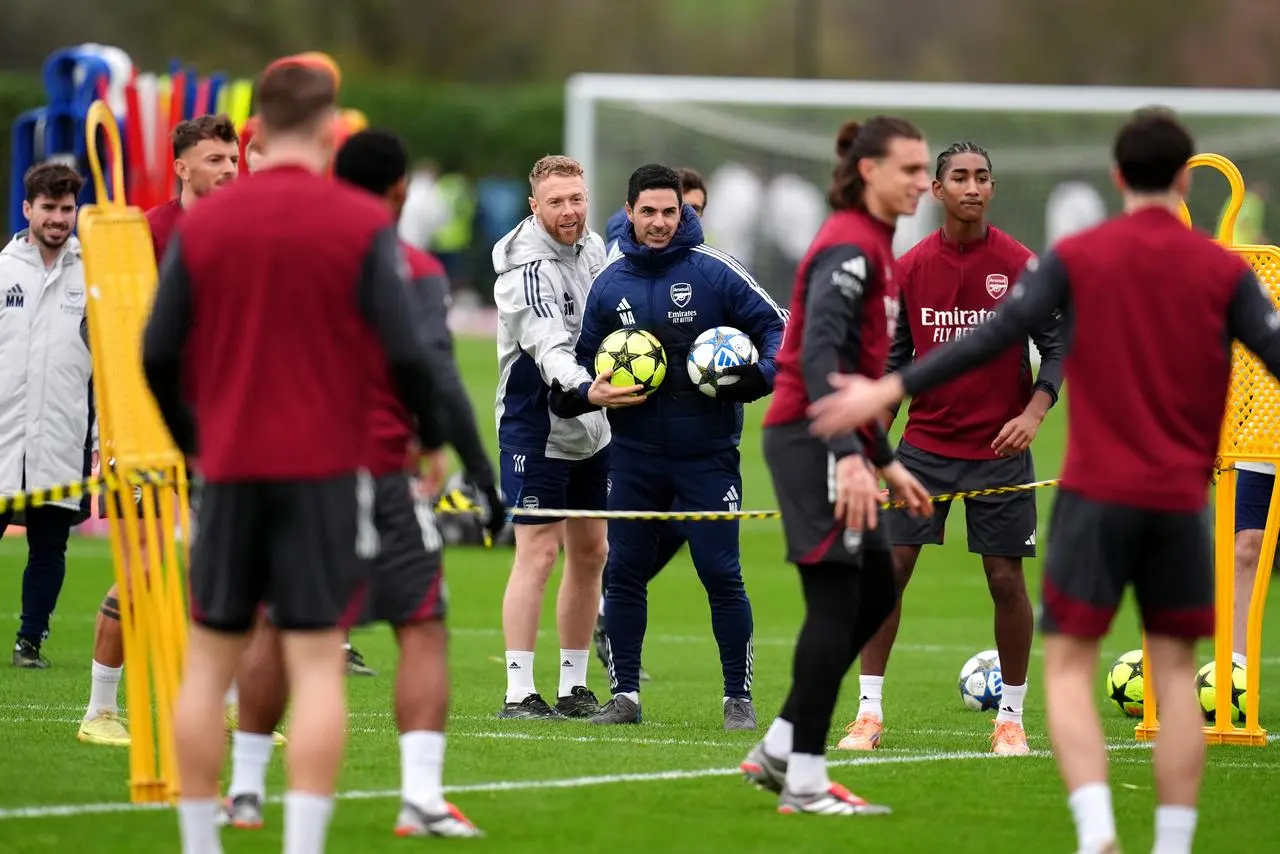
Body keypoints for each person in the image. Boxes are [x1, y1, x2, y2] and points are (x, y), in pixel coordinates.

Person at [806, 106, 1280, 854]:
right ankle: (1174, 845)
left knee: (1068, 666)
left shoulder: (1074, 256)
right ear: (1187, 178)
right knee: (1173, 668)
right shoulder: (1223, 270)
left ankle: (1096, 836)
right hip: (1180, 495)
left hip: (1093, 489)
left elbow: (998, 337)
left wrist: (883, 393)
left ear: (1117, 176)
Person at [140, 62, 452, 854]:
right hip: (323, 471)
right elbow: (409, 352)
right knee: (317, 665)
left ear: (250, 137)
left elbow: (156, 352)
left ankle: (200, 843)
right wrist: (432, 436)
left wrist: (195, 444)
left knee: (210, 663)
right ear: (327, 131)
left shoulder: (203, 223)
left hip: (231, 467)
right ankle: (302, 845)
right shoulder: (355, 223)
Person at [220, 128, 500, 838]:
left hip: (278, 466)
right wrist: (465, 458)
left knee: (276, 621)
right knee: (422, 626)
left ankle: (245, 792)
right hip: (374, 468)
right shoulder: (409, 265)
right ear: (401, 188)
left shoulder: (282, 254)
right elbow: (434, 373)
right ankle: (421, 798)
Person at [836, 141, 1066, 756]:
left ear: (992, 188)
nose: (972, 186)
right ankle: (868, 715)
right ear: (936, 191)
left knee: (1004, 579)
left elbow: (1060, 345)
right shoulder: (908, 269)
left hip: (1000, 450)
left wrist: (1034, 411)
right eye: (959, 177)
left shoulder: (1021, 264)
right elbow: (892, 365)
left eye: (982, 177)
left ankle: (1010, 719)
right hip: (924, 452)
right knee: (890, 572)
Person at [735, 116, 933, 814]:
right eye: (910, 169)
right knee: (837, 600)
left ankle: (784, 745)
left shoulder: (876, 243)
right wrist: (851, 457)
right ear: (869, 170)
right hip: (811, 437)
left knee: (876, 587)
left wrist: (884, 458)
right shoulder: (850, 245)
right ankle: (807, 782)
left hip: (838, 439)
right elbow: (818, 359)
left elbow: (853, 372)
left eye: (923, 168)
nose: (923, 182)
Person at [567, 163, 788, 728]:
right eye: (650, 213)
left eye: (671, 212)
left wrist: (759, 376)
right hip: (634, 457)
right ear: (630, 214)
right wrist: (591, 392)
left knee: (720, 572)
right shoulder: (609, 283)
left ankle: (737, 696)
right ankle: (625, 698)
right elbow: (584, 363)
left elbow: (780, 329)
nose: (661, 222)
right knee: (624, 575)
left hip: (708, 457)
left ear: (684, 213)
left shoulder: (716, 271)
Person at [79, 114, 251, 746]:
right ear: (181, 167)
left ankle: (230, 704)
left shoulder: (247, 232)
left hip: (224, 425)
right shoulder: (145, 233)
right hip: (147, 423)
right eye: (215, 161)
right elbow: (111, 328)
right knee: (144, 566)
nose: (229, 171)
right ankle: (100, 710)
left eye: (233, 160)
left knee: (231, 566)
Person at [491, 154, 637, 721]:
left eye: (576, 198)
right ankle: (518, 691)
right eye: (556, 201)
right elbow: (549, 345)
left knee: (592, 550)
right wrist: (585, 389)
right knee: (538, 552)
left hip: (592, 424)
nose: (570, 211)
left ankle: (574, 685)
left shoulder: (596, 249)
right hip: (536, 421)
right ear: (534, 206)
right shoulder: (524, 270)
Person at [593, 165, 709, 680]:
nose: (687, 219)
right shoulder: (621, 260)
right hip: (621, 421)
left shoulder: (699, 261)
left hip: (687, 427)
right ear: (634, 213)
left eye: (693, 210)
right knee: (614, 544)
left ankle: (606, 616)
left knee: (680, 525)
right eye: (654, 211)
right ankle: (608, 633)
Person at [0, 162, 93, 670]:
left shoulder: (92, 271)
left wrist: (100, 436)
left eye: (66, 209)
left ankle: (29, 641)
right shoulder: (3, 269)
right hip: (3, 435)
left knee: (49, 545)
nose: (59, 218)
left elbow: (105, 364)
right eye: (49, 208)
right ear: (27, 209)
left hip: (62, 432)